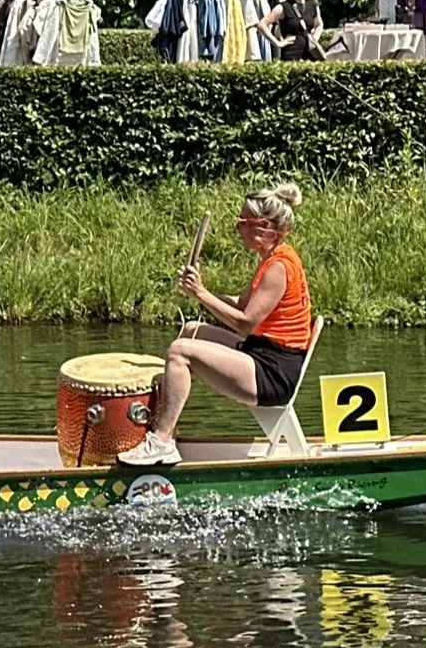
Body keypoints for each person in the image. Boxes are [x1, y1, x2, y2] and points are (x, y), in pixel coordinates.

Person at [119, 183, 315, 467]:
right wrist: (198, 291)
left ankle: (160, 442)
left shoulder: (280, 267)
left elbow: (244, 323)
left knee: (179, 351)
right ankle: (167, 428)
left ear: (264, 227)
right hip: (261, 353)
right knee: (190, 331)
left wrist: (201, 293)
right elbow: (240, 305)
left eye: (242, 222)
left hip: (273, 372)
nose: (238, 229)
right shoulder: (270, 258)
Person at [256, 0, 323, 62]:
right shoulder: (283, 7)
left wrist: (314, 39)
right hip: (291, 55)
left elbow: (319, 24)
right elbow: (262, 25)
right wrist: (278, 43)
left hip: (310, 54)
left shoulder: (312, 5)